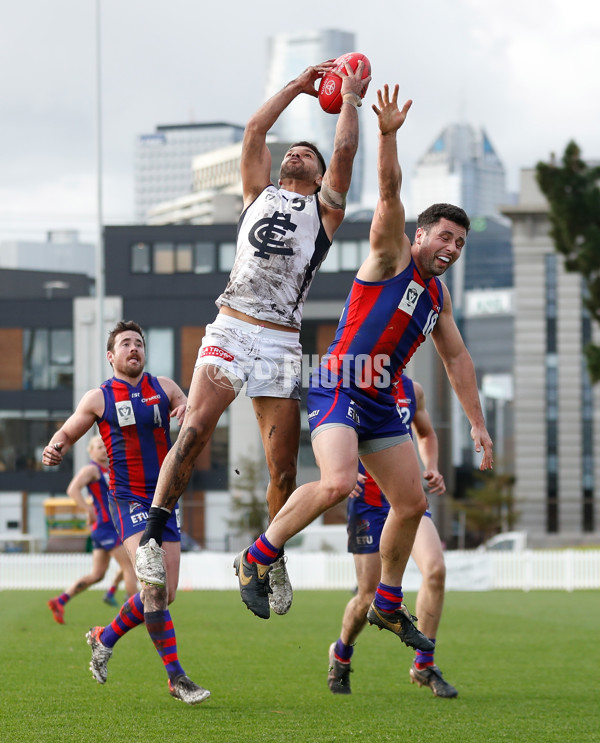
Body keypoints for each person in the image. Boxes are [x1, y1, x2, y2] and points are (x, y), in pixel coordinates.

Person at [234, 84, 493, 638]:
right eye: (444, 236)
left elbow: (459, 360)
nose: (451, 247)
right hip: (338, 382)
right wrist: (389, 135)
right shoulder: (392, 251)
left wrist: (477, 423)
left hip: (378, 397)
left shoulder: (438, 297)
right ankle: (256, 556)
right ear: (420, 235)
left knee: (409, 500)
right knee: (336, 482)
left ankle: (387, 600)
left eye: (460, 243)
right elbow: (389, 189)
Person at [135, 59, 371, 618]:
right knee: (193, 429)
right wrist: (297, 86)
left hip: (282, 343)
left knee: (284, 469)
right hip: (232, 324)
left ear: (318, 178)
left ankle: (270, 554)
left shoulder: (323, 211)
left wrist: (351, 101)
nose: (296, 154)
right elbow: (255, 133)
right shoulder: (256, 194)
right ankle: (152, 537)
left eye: (306, 156)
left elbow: (343, 156)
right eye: (294, 152)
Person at [41, 320, 209, 705]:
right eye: (125, 344)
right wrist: (55, 447)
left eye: (138, 343)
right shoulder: (98, 398)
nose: (134, 349)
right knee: (151, 587)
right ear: (111, 356)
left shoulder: (163, 387)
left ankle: (105, 637)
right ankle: (176, 678)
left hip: (166, 498)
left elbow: (187, 405)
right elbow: (67, 433)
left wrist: (184, 407)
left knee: (164, 595)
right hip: (129, 502)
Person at [327, 375, 457, 698]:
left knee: (436, 571)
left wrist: (432, 466)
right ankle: (341, 653)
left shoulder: (414, 390)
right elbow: (327, 427)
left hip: (405, 500)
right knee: (368, 595)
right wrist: (336, 469)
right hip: (369, 504)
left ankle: (424, 665)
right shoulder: (353, 382)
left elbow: (425, 433)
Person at [47, 435, 137, 624]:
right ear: (90, 451)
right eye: (98, 447)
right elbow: (72, 489)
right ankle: (138, 614)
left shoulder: (107, 470)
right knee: (130, 567)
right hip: (106, 527)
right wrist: (88, 509)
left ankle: (60, 600)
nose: (103, 450)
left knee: (97, 575)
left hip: (106, 527)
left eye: (105, 447)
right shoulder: (91, 469)